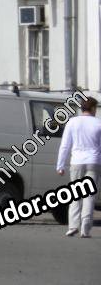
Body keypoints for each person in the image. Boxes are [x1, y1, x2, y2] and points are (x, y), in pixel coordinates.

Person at [56, 95, 101, 238]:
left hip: (76, 161)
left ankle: (73, 226)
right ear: (92, 108)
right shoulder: (98, 123)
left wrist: (60, 165)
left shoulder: (72, 122)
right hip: (94, 161)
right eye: (96, 108)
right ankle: (85, 229)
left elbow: (65, 145)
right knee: (89, 196)